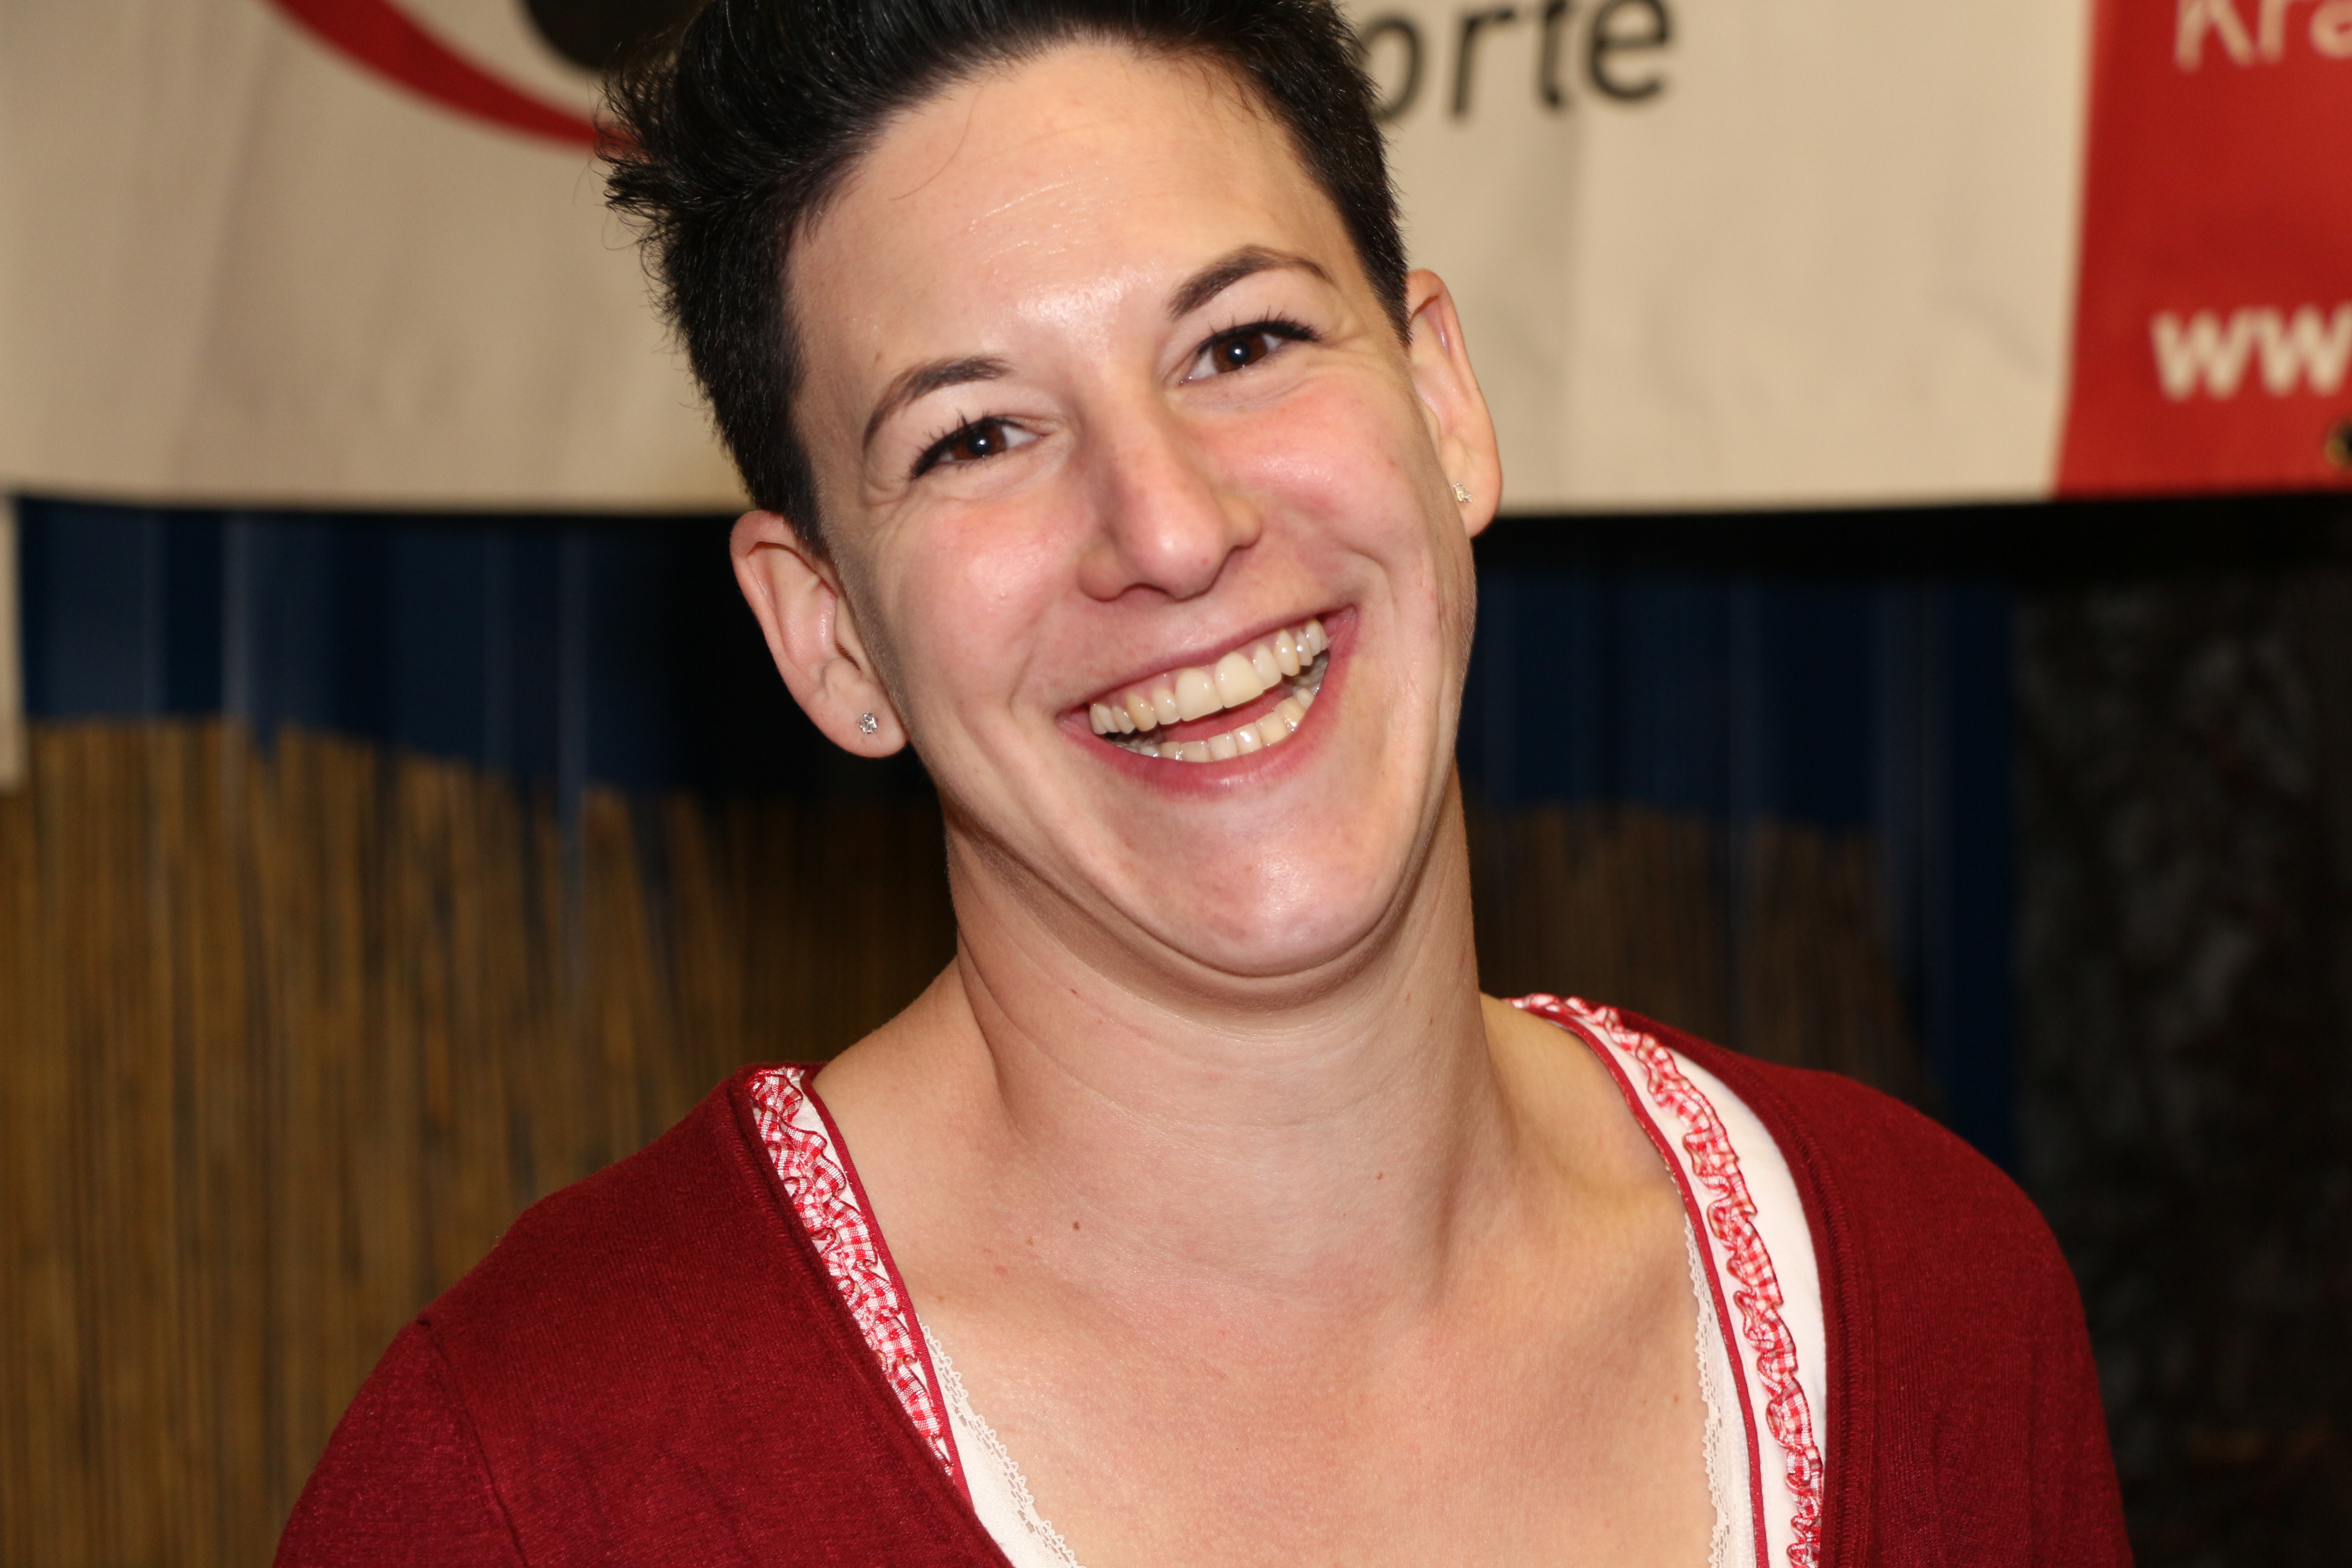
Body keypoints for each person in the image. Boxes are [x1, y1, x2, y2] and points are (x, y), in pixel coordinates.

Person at [274, 0, 2130, 1562]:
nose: (1167, 531)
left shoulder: (1931, 1294)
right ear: (830, 634)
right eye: (978, 436)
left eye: (1243, 344)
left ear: (1445, 404)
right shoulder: (544, 1477)